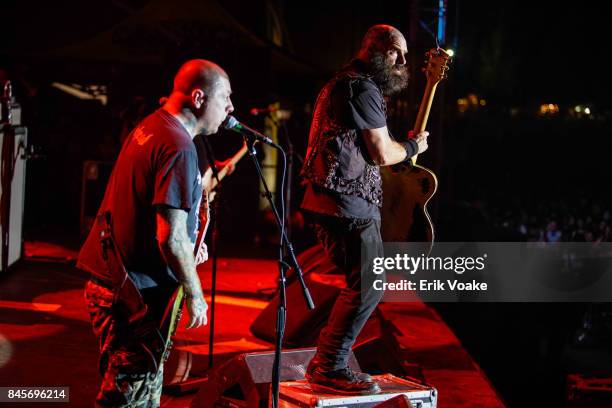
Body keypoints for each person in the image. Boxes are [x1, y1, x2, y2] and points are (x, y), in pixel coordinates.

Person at [77, 59, 234, 407]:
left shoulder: (153, 126)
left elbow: (152, 218)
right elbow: (170, 237)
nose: (231, 108)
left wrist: (190, 245)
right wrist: (195, 294)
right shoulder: (177, 146)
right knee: (130, 396)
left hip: (117, 281)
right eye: (225, 97)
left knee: (135, 391)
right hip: (132, 295)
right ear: (198, 97)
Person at [300, 24, 429, 394]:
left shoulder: (344, 82)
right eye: (395, 52)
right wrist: (413, 146)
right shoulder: (361, 87)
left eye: (405, 55)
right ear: (374, 49)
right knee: (368, 286)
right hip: (347, 203)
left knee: (362, 285)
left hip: (332, 199)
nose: (403, 61)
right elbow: (383, 152)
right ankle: (329, 365)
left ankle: (328, 361)